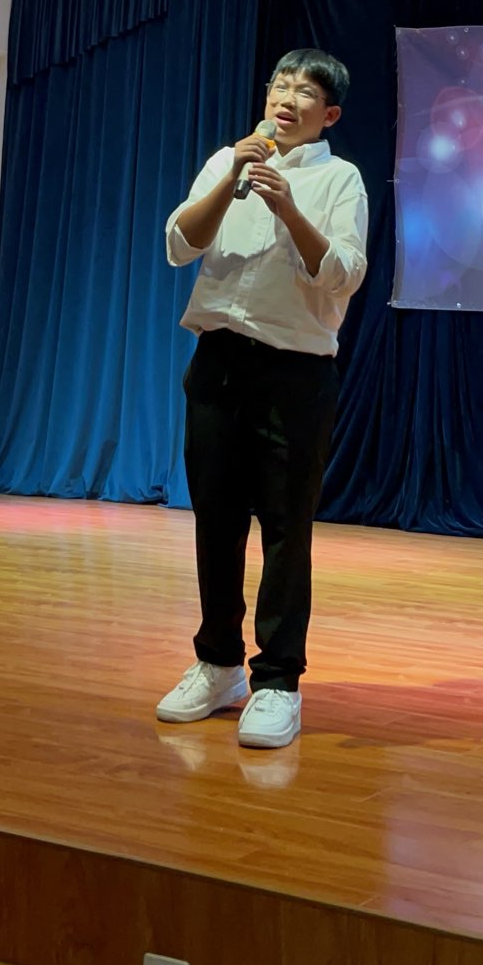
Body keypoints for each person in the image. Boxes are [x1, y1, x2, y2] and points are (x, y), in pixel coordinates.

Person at [158, 49, 368, 751]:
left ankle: (277, 680)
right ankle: (218, 664)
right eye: (281, 84)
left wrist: (287, 207)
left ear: (328, 114)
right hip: (218, 361)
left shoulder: (340, 179)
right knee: (215, 522)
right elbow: (180, 244)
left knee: (284, 529)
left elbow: (343, 274)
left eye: (305, 91)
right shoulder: (229, 160)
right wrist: (234, 180)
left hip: (295, 374)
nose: (287, 97)